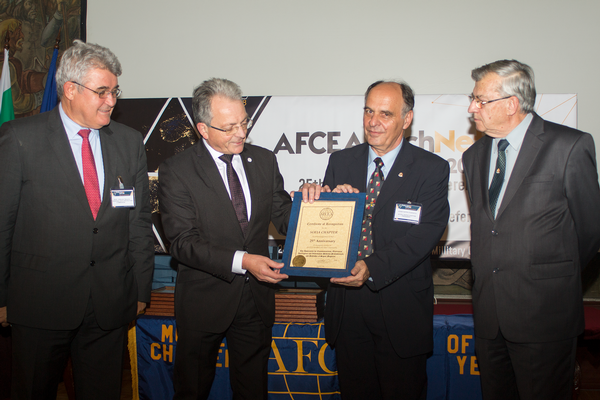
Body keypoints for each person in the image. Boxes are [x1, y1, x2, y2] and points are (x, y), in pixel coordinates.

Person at [0, 40, 154, 399]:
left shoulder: (129, 142)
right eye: (102, 91)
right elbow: (2, 225)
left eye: (115, 91)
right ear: (70, 89)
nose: (112, 101)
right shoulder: (20, 139)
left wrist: (140, 290)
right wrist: (2, 297)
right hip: (39, 303)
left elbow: (138, 223)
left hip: (110, 304)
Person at [462, 59, 600, 400]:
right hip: (490, 317)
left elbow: (590, 230)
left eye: (481, 100)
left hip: (544, 315)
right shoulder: (474, 155)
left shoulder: (568, 146)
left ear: (511, 104)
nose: (471, 108)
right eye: (473, 98)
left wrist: (548, 276)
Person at [304, 80, 450, 399]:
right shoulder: (341, 162)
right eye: (369, 111)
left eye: (385, 113)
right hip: (348, 307)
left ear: (406, 119)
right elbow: (327, 232)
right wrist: (320, 203)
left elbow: (426, 233)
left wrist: (371, 266)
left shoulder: (431, 169)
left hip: (400, 307)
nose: (373, 121)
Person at [158, 78, 294, 399]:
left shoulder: (263, 160)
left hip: (255, 302)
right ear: (203, 129)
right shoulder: (177, 171)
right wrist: (243, 261)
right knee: (192, 389)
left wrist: (320, 208)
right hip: (205, 302)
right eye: (230, 127)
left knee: (253, 390)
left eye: (244, 122)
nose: (242, 133)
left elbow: (286, 218)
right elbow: (182, 242)